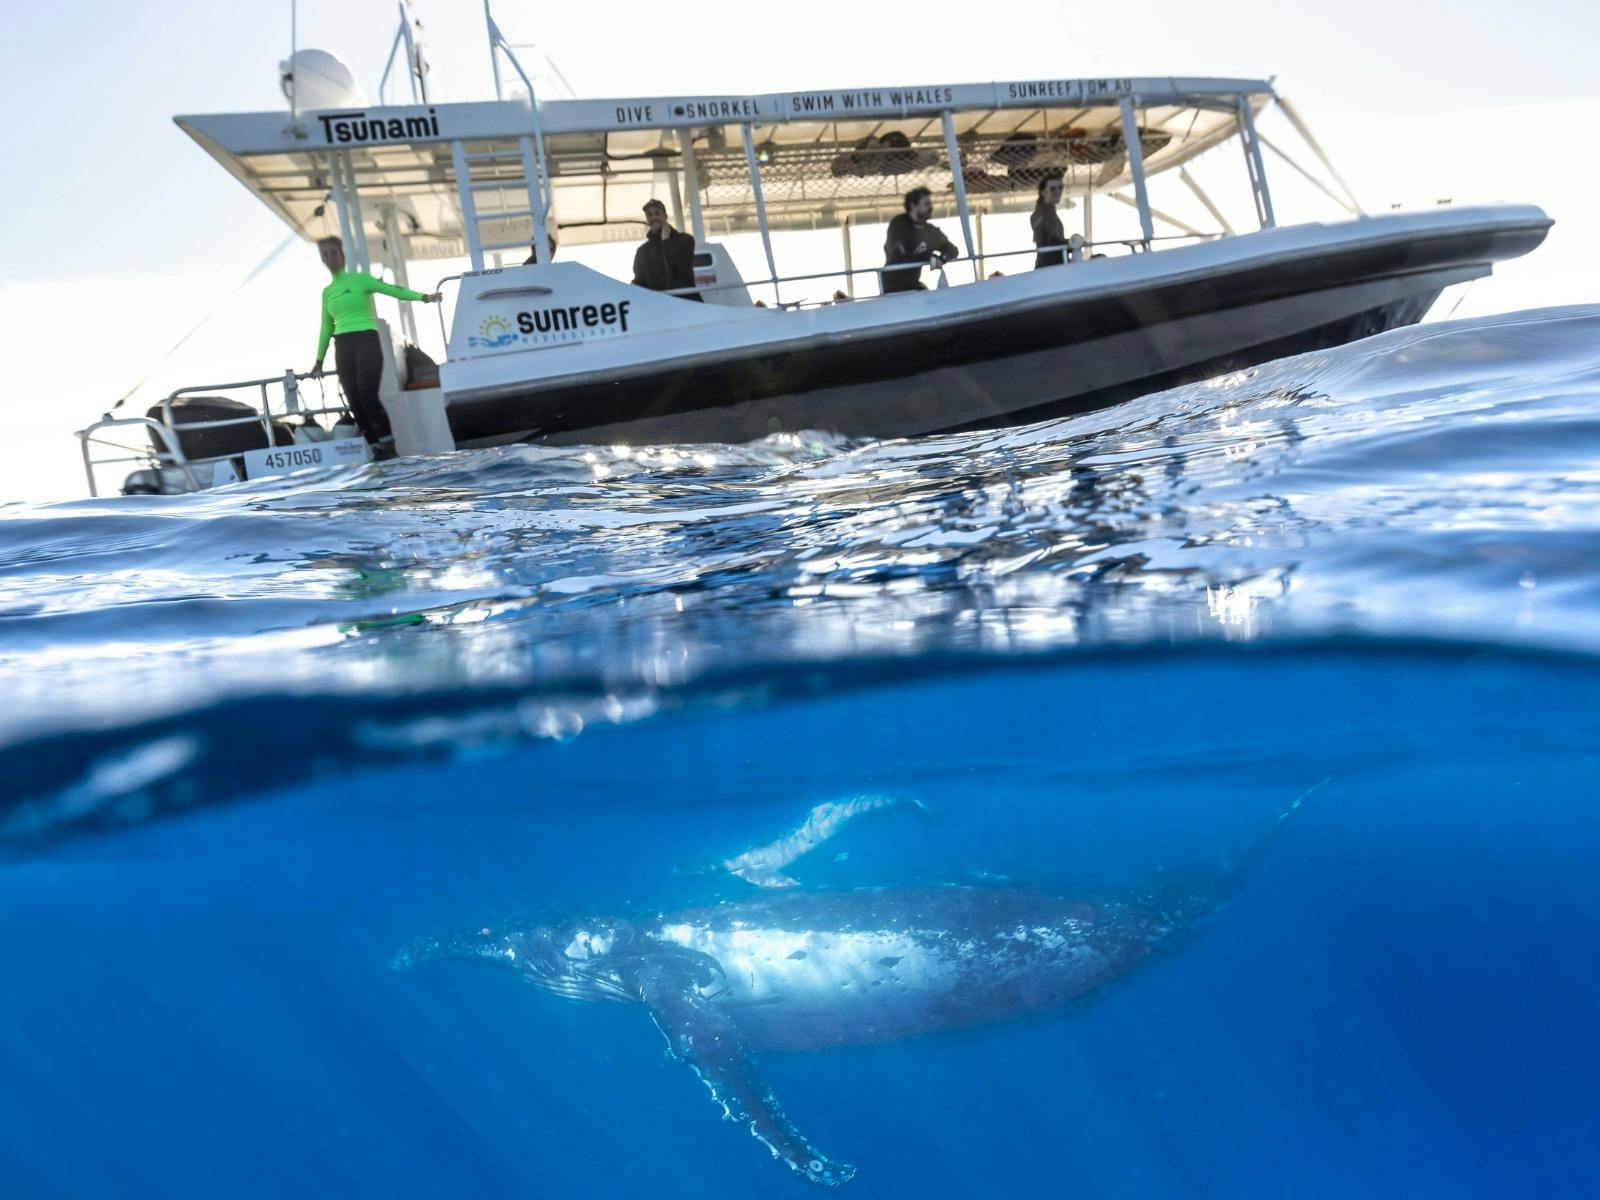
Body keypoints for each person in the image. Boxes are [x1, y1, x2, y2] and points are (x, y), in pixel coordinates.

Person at [309, 237, 440, 445]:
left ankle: (388, 443)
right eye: (324, 254)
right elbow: (326, 327)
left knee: (366, 393)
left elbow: (394, 290)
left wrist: (424, 297)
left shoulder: (361, 279)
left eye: (333, 252)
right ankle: (374, 446)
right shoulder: (327, 292)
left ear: (341, 256)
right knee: (353, 399)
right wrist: (318, 361)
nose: (329, 257)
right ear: (322, 260)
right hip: (342, 345)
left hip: (367, 340)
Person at [882, 187, 961, 294]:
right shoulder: (898, 225)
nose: (931, 207)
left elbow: (952, 250)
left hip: (913, 284)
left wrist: (941, 259)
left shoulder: (929, 230)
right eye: (927, 204)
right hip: (893, 285)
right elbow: (897, 256)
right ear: (913, 206)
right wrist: (929, 257)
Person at [632, 199, 701, 299]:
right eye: (649, 215)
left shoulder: (686, 239)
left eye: (657, 213)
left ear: (665, 216)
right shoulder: (642, 251)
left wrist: (666, 241)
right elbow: (640, 281)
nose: (653, 217)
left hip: (687, 301)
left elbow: (684, 266)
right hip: (661, 305)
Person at [1031, 176, 1067, 269]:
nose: (1058, 191)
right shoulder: (1043, 214)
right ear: (1043, 192)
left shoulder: (1040, 213)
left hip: (1047, 266)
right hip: (1051, 267)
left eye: (1060, 187)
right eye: (1052, 189)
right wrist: (1073, 243)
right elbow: (1053, 240)